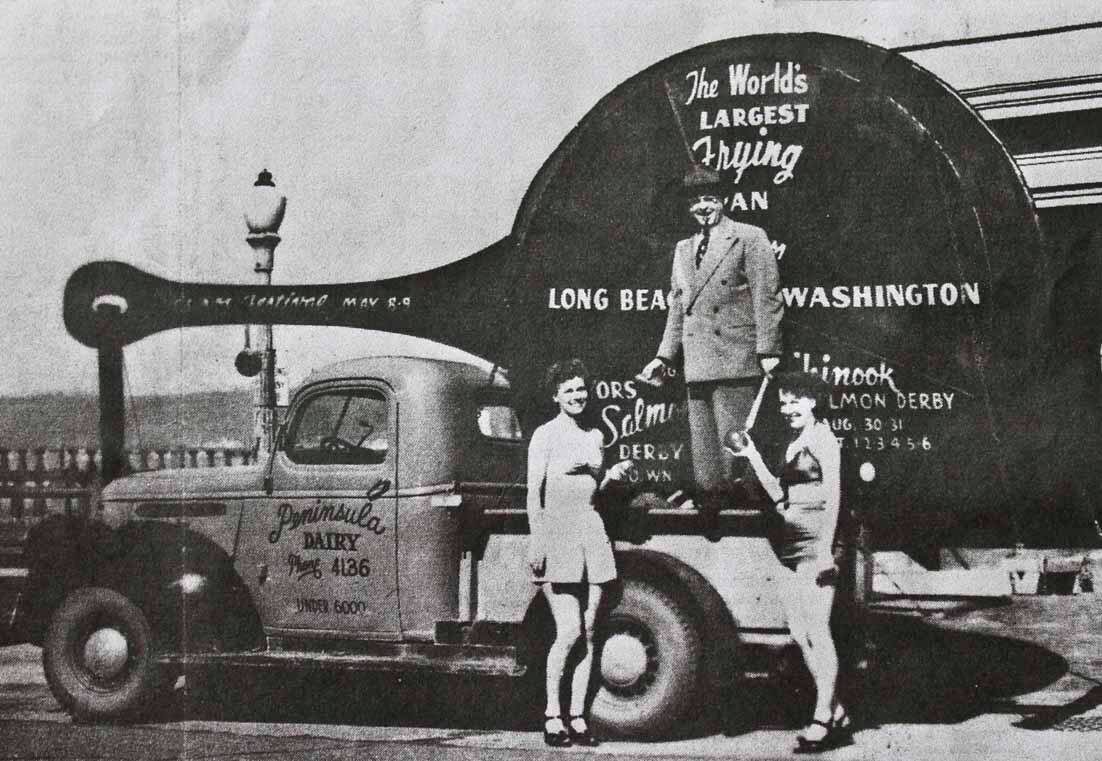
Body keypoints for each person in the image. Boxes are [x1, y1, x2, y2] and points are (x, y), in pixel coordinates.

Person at [638, 164, 783, 506]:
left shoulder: (749, 237)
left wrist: (768, 349)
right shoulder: (683, 249)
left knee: (736, 453)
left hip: (736, 361)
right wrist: (663, 356)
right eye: (695, 202)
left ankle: (746, 523)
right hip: (697, 365)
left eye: (709, 199)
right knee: (706, 463)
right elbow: (678, 307)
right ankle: (716, 520)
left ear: (721, 201)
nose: (702, 207)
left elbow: (768, 294)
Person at [727, 371, 852, 751]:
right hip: (790, 542)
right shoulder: (792, 444)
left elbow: (834, 496)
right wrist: (752, 456)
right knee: (798, 631)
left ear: (813, 401)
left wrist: (827, 550)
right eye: (783, 403)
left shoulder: (824, 439)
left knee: (818, 629)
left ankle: (821, 719)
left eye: (795, 401)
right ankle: (837, 710)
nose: (788, 409)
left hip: (818, 543)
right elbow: (780, 496)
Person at [526, 358, 634, 747]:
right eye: (569, 389)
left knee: (589, 632)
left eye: (581, 389)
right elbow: (533, 492)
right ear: (556, 395)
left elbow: (594, 491)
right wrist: (537, 541)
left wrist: (609, 477)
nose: (577, 395)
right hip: (557, 532)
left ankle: (578, 718)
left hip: (591, 530)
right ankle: (552, 715)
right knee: (568, 631)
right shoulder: (545, 435)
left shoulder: (594, 436)